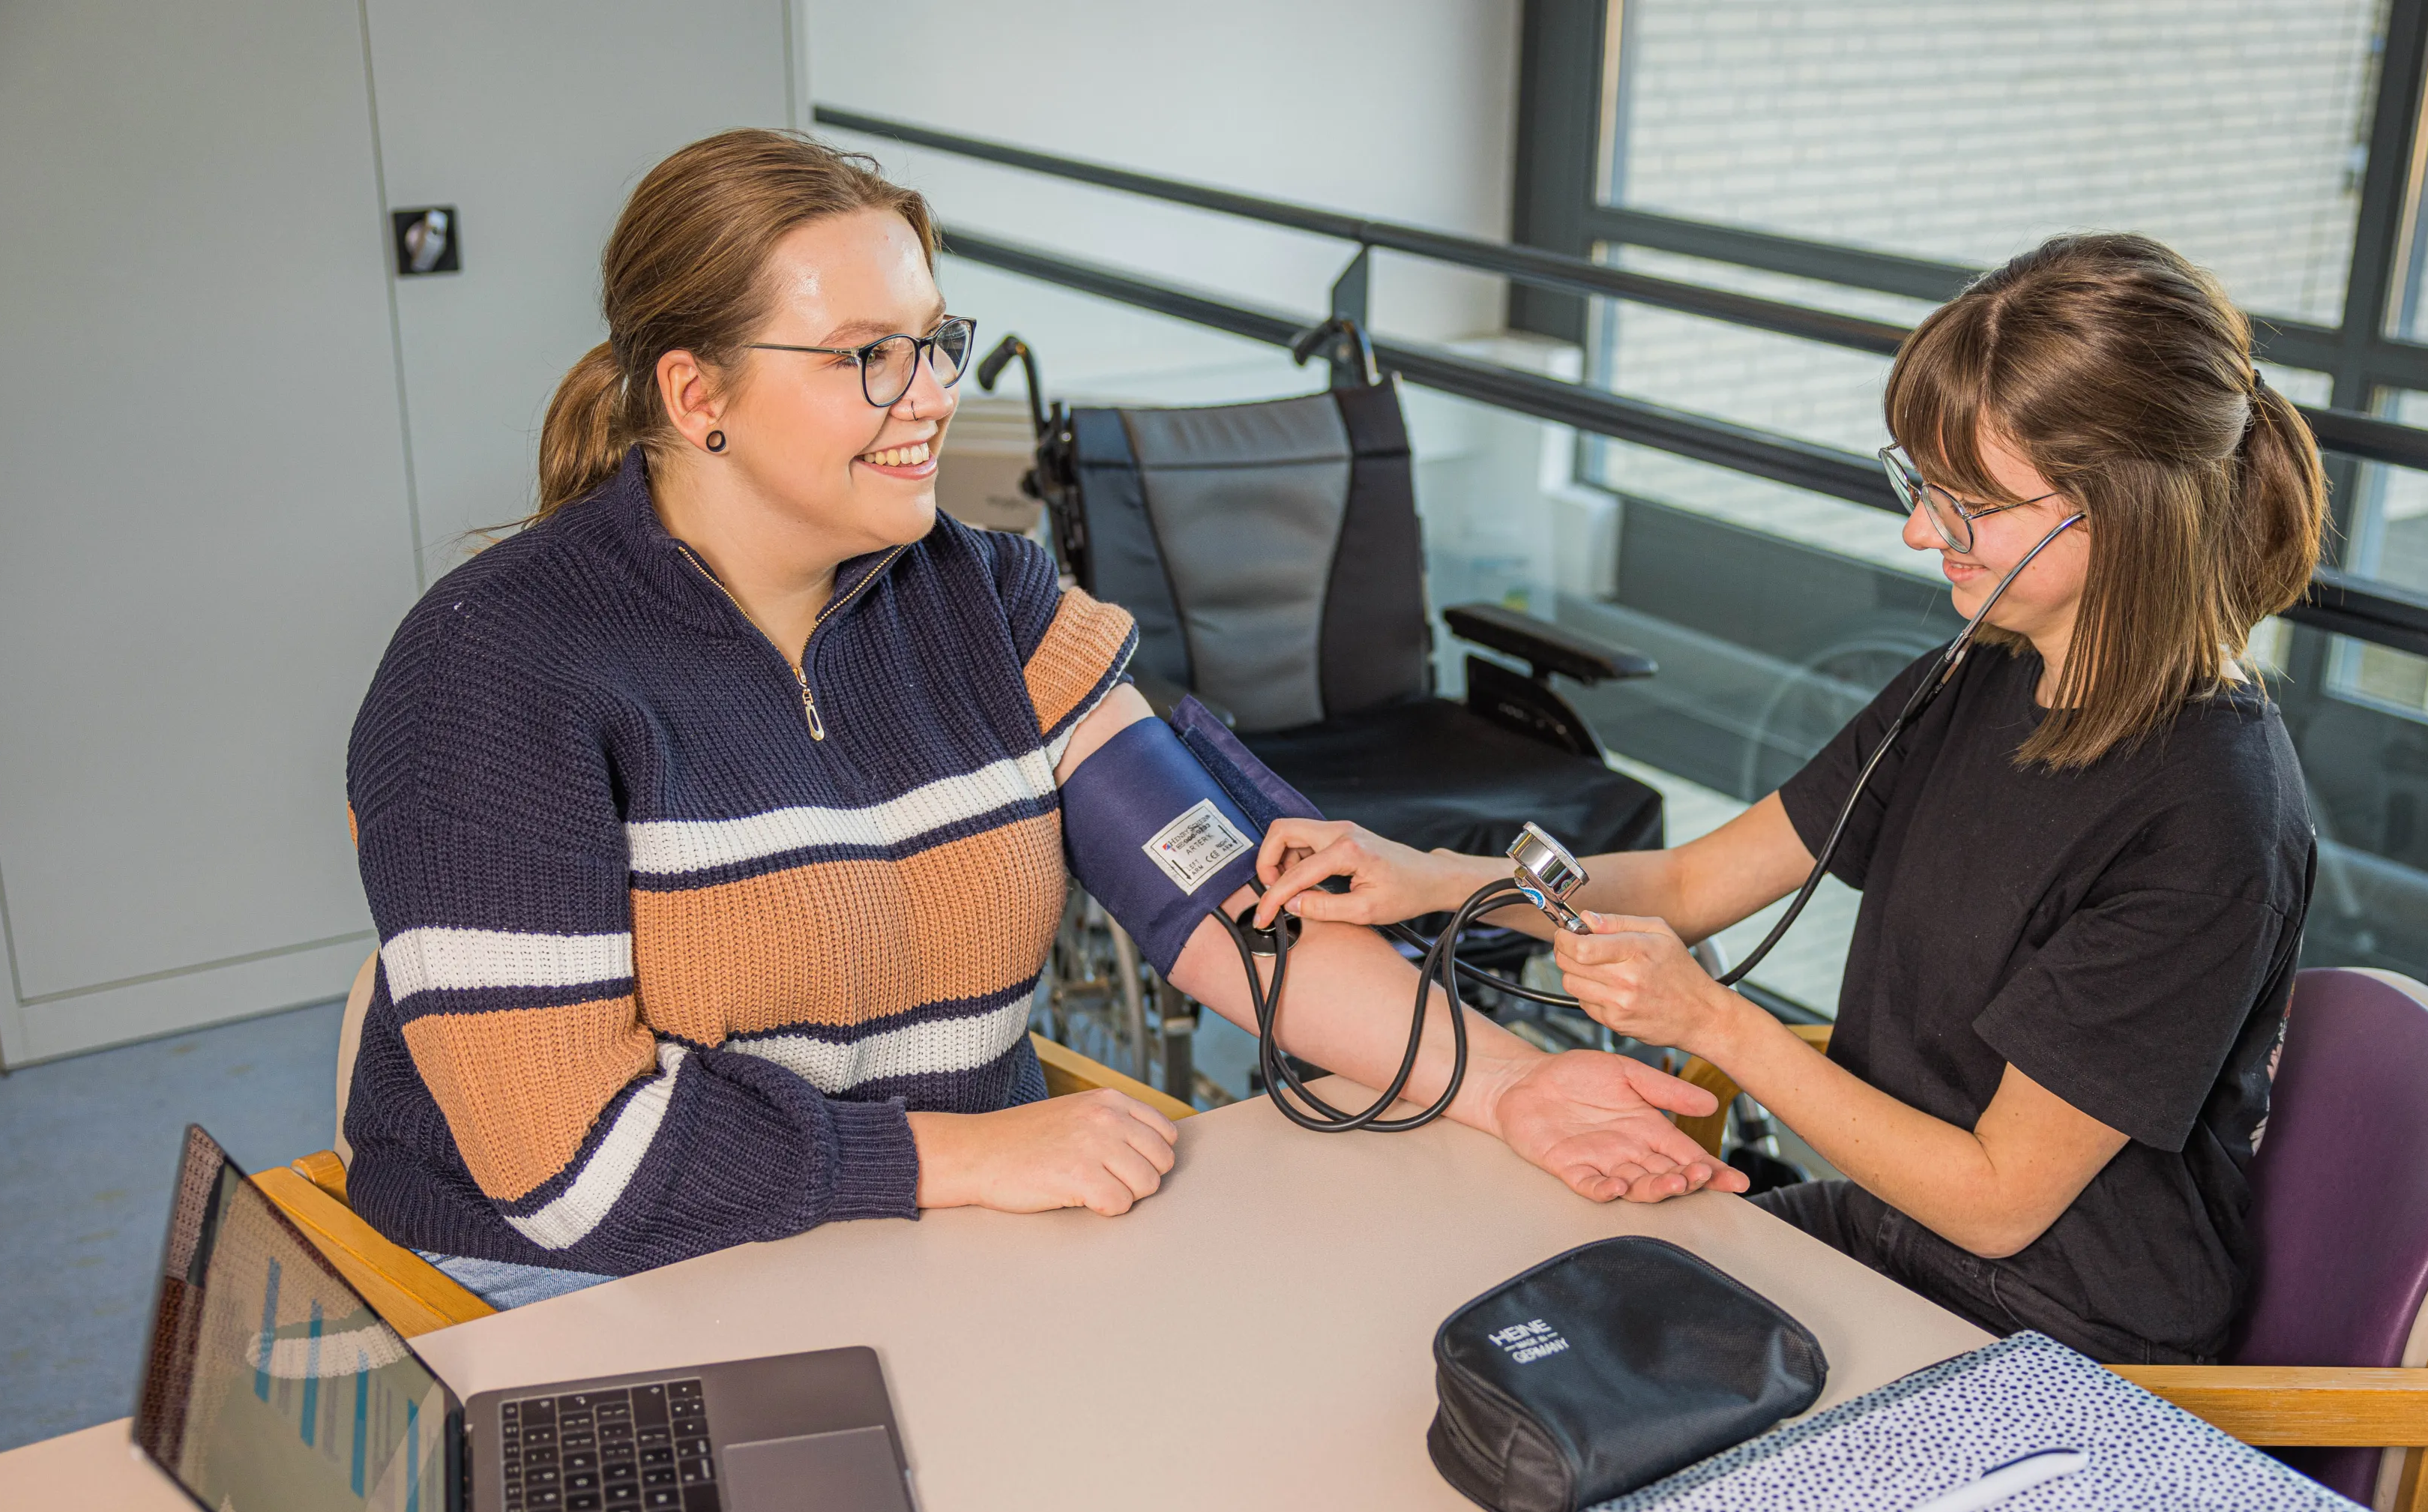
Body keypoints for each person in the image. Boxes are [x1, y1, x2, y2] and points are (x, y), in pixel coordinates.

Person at [340, 129, 1739, 1307]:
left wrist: (1506, 1088)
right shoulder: (497, 670)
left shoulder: (985, 596)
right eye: (863, 359)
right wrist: (952, 1160)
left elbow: (1217, 896)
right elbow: (572, 1164)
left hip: (909, 1232)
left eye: (932, 341)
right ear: (696, 394)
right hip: (571, 1286)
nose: (933, 399)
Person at [1253, 234, 2323, 1364]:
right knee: (1518, 1312)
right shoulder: (1978, 676)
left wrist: (1714, 1021)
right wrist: (1430, 880)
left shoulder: (2208, 822)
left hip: (2054, 1330)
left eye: (1970, 503)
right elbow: (1690, 883)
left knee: (1585, 1383)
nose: (1922, 532)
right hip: (1884, 1235)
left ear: (2126, 510)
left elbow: (2001, 1199)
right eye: (1922, 486)